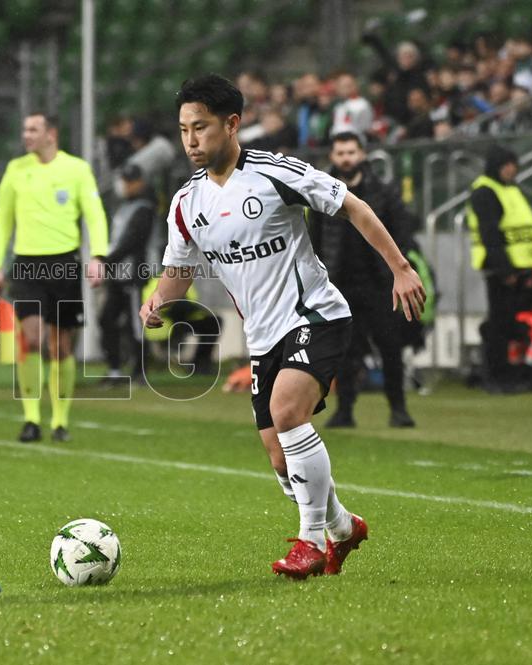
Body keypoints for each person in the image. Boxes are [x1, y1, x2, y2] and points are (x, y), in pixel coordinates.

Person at [141, 74, 425, 579]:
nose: (190, 140)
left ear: (232, 124)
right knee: (278, 458)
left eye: (200, 127)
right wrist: (158, 301)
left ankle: (309, 542)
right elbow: (179, 270)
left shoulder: (275, 173)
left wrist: (400, 268)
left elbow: (352, 206)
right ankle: (342, 525)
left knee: (288, 411)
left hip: (315, 314)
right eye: (184, 129)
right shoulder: (186, 204)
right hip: (263, 337)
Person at [0, 112, 108, 443]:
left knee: (61, 345)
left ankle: (60, 421)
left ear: (51, 134)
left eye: (33, 129)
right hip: (26, 264)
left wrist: (98, 255)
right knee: (33, 337)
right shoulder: (16, 170)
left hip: (64, 263)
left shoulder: (77, 169)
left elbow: (95, 214)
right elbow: (2, 219)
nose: (26, 135)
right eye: (24, 129)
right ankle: (30, 418)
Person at [308, 132, 419, 428]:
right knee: (346, 352)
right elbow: (313, 241)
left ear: (362, 154)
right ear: (332, 157)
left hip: (380, 284)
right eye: (341, 153)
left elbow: (403, 234)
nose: (346, 158)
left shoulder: (383, 191)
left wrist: (400, 270)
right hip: (340, 285)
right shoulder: (320, 195)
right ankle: (345, 410)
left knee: (390, 348)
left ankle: (399, 408)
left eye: (351, 152)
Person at [466, 145, 532, 392]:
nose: (512, 169)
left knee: (510, 324)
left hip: (524, 269)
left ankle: (513, 374)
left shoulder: (510, 189)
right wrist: (505, 270)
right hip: (502, 271)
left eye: (513, 164)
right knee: (499, 326)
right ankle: (496, 376)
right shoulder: (486, 192)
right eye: (507, 165)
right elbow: (491, 235)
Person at [98, 164, 154, 385]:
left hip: (132, 274)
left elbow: (132, 242)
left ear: (139, 182)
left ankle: (140, 371)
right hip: (117, 274)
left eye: (129, 181)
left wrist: (106, 261)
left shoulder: (145, 208)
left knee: (134, 323)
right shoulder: (124, 208)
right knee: (107, 319)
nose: (124, 185)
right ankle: (114, 369)